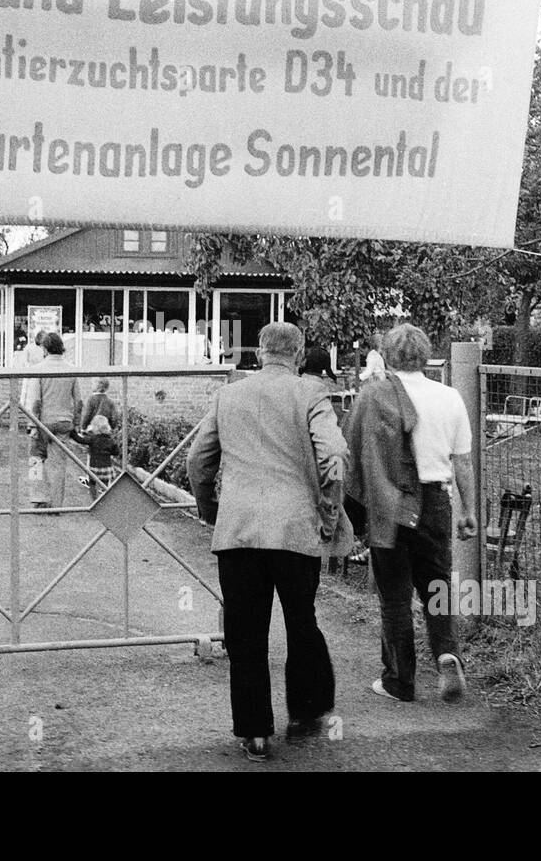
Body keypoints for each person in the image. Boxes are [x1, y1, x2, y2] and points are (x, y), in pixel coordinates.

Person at [186, 321, 346, 764]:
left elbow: (197, 460)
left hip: (238, 532)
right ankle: (305, 713)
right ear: (298, 355)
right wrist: (328, 516)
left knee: (245, 631)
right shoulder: (312, 394)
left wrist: (211, 511)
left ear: (259, 352)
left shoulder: (228, 395)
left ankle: (255, 733)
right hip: (295, 529)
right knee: (301, 619)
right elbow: (334, 458)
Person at [344, 323, 476, 707]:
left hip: (390, 504)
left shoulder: (373, 397)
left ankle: (399, 681)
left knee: (396, 597)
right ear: (426, 355)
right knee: (437, 588)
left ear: (386, 355)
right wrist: (468, 511)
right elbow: (463, 462)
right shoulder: (449, 397)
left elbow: (353, 453)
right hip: (436, 501)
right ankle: (447, 654)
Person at [27, 332, 83, 508]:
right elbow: (79, 401)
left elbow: (36, 401)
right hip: (64, 422)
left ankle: (38, 497)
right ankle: (57, 504)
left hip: (43, 422)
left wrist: (33, 424)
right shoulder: (71, 369)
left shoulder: (39, 369)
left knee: (36, 459)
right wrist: (76, 423)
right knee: (59, 465)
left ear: (44, 348)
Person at [73, 414, 119, 501]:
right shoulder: (110, 440)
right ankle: (104, 499)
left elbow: (80, 440)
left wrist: (72, 432)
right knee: (105, 485)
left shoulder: (93, 439)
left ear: (95, 427)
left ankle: (94, 499)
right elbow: (116, 452)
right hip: (106, 467)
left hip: (94, 467)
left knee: (92, 483)